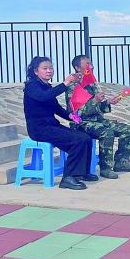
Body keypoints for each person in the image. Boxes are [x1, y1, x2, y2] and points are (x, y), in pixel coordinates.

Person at [23, 56, 97, 190]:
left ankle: (81, 173)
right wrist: (65, 83)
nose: (49, 71)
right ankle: (68, 178)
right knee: (77, 141)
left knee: (85, 138)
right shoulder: (32, 86)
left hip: (52, 126)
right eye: (45, 68)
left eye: (51, 68)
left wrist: (70, 116)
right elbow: (43, 97)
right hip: (39, 129)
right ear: (36, 71)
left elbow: (56, 107)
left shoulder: (47, 86)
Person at [65, 55, 130, 179]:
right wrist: (95, 100)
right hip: (82, 123)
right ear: (77, 68)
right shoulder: (73, 86)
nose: (91, 66)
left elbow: (98, 108)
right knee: (106, 133)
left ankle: (121, 162)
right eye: (87, 64)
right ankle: (105, 168)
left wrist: (108, 102)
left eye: (91, 63)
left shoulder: (92, 84)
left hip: (98, 120)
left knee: (128, 130)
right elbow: (76, 112)